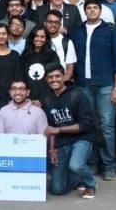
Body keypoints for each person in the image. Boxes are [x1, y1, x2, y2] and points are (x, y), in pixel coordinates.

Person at [71, 0, 116, 181]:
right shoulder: (77, 31)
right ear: (84, 11)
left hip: (106, 84)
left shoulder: (111, 30)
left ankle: (109, 165)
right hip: (83, 84)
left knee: (107, 126)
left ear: (100, 11)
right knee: (89, 125)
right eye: (89, 8)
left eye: (95, 8)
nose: (92, 10)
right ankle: (92, 163)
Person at [42, 64, 97, 199]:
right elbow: (51, 128)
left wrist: (60, 129)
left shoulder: (77, 94)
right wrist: (51, 149)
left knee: (76, 165)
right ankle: (77, 178)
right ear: (46, 80)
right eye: (50, 77)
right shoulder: (47, 98)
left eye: (57, 76)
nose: (54, 79)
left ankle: (90, 184)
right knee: (56, 189)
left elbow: (86, 125)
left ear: (64, 77)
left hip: (81, 139)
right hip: (61, 143)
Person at [21, 26, 60, 102]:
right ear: (32, 37)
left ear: (46, 39)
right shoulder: (24, 55)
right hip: (29, 98)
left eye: (42, 37)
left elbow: (56, 76)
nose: (39, 39)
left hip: (48, 98)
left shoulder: (52, 55)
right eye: (36, 36)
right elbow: (22, 78)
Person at [43, 10, 77, 82]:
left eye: (56, 22)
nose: (53, 25)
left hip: (60, 83)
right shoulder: (39, 40)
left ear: (60, 25)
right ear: (45, 23)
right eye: (50, 22)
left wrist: (58, 84)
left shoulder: (67, 42)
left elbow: (69, 70)